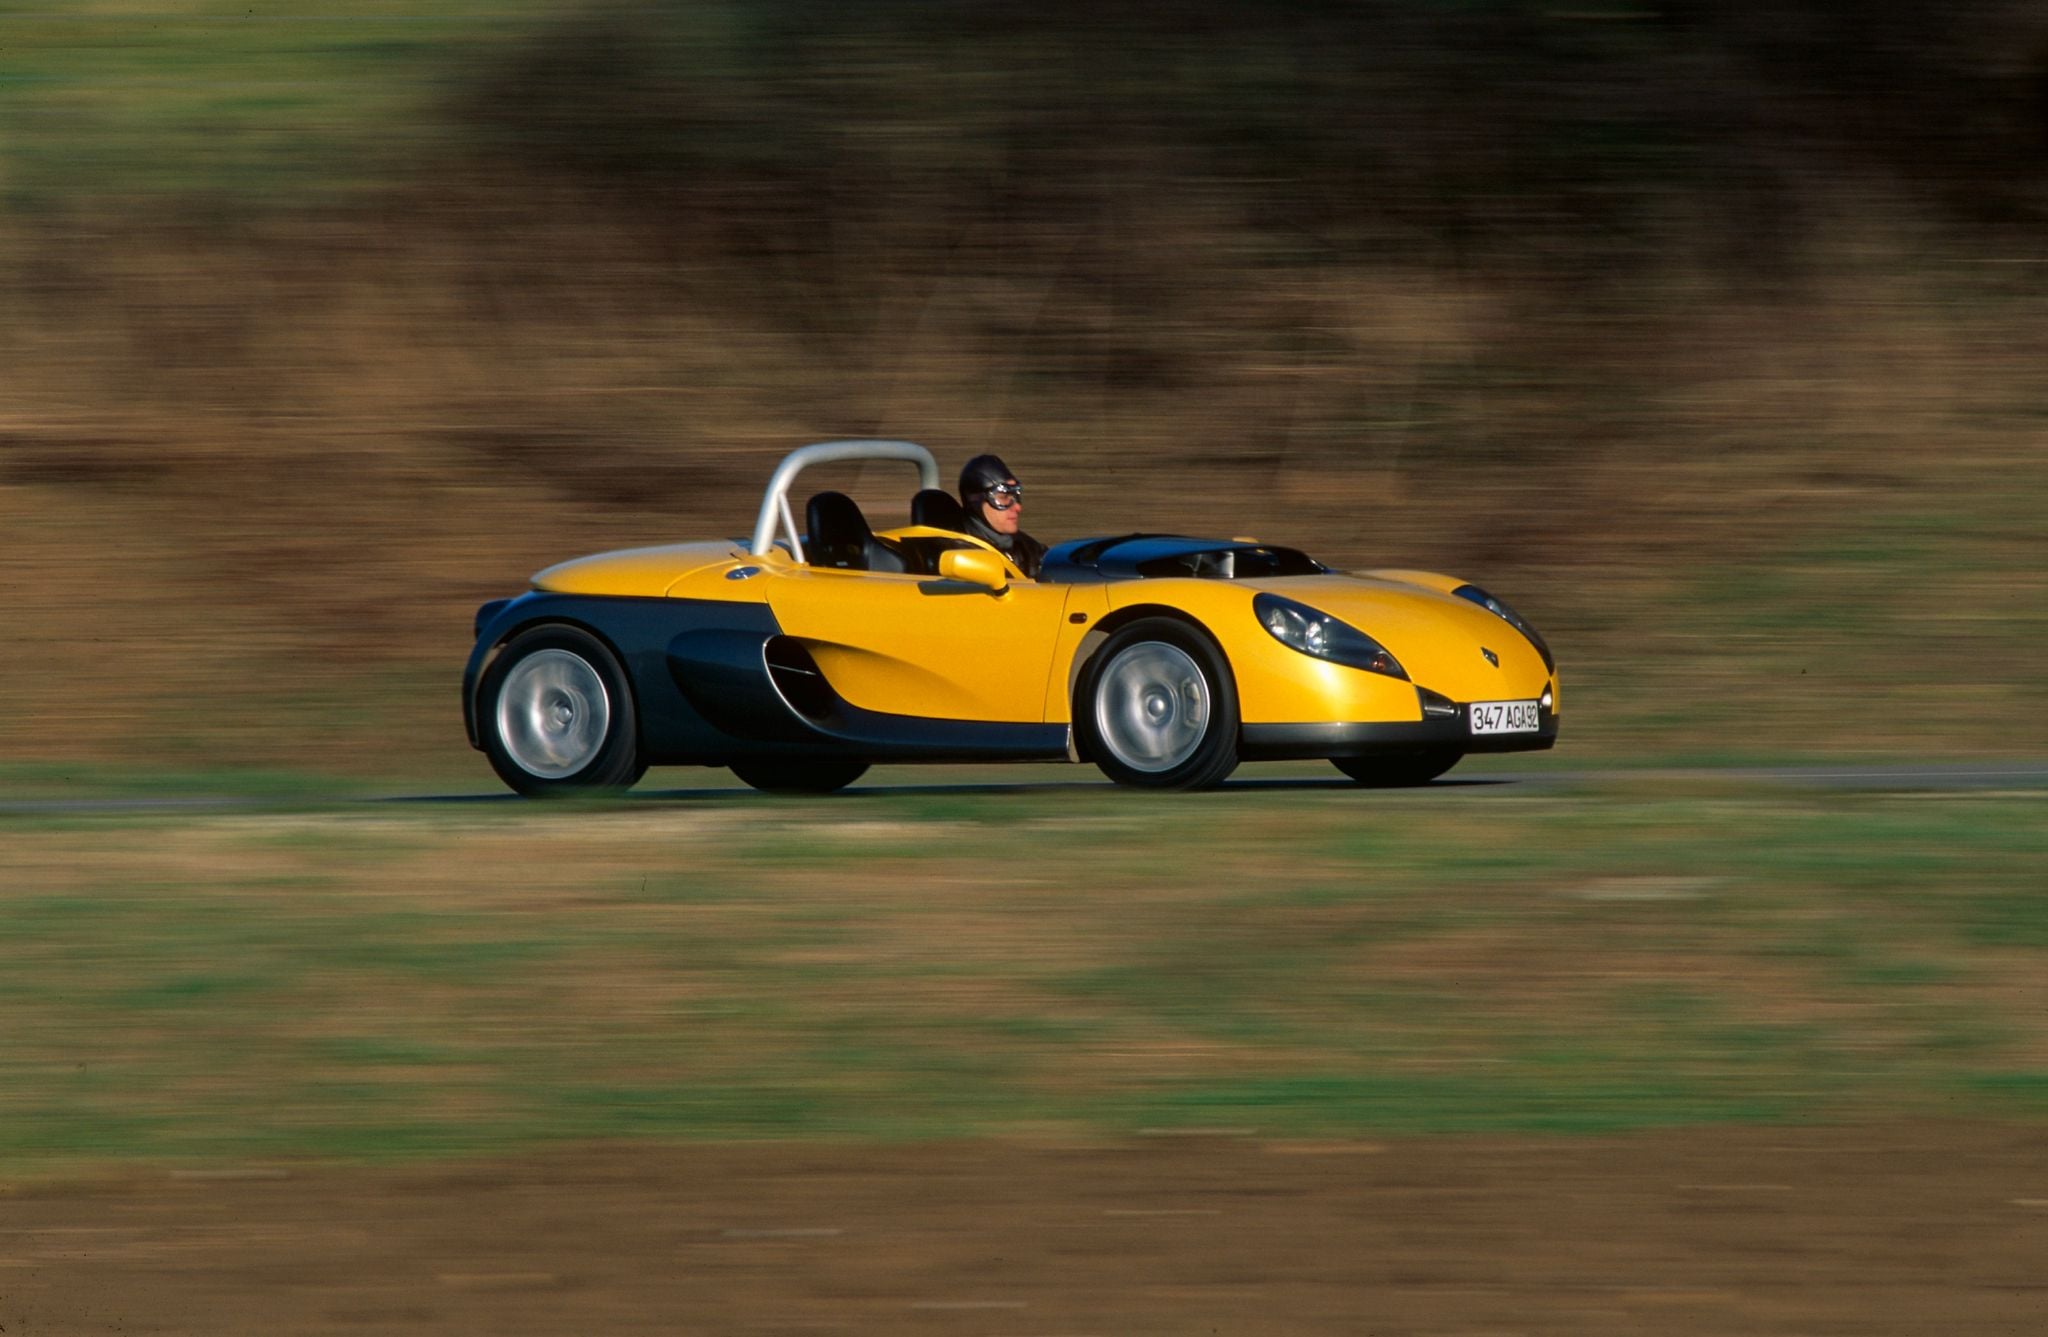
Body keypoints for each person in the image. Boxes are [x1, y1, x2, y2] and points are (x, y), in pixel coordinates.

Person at [957, 453, 1045, 579]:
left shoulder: (1024, 546)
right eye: (1003, 498)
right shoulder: (964, 554)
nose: (1017, 508)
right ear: (974, 501)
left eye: (1016, 496)